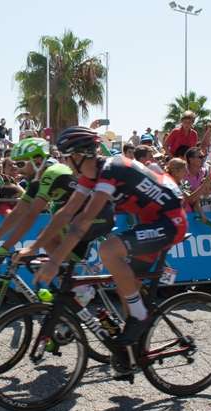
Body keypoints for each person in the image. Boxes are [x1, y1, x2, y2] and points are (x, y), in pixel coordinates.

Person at [31, 127, 187, 352]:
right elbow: (65, 213)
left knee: (109, 249)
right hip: (150, 221)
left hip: (171, 221)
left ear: (79, 155)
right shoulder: (91, 176)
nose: (64, 163)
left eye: (66, 157)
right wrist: (33, 248)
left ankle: (140, 316)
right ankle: (133, 353)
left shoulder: (111, 170)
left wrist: (55, 261)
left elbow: (83, 220)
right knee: (127, 285)